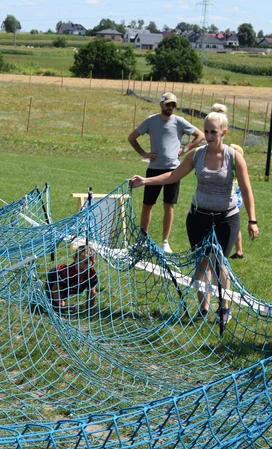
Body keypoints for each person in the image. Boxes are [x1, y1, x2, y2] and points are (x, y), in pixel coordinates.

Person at [129, 104, 259, 322]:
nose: (208, 136)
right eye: (206, 131)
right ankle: (203, 308)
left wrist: (252, 220)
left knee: (219, 262)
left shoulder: (234, 157)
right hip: (198, 217)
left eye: (213, 132)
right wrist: (146, 181)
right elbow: (173, 176)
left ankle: (224, 307)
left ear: (224, 133)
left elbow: (246, 190)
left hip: (226, 218)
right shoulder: (197, 155)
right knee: (201, 262)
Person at [127, 92, 205, 254]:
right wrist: (143, 153)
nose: (170, 107)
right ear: (161, 104)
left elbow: (200, 135)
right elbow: (132, 137)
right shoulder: (151, 120)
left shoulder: (179, 122)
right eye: (168, 104)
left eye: (173, 105)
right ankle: (142, 239)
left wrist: (185, 149)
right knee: (147, 205)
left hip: (173, 171)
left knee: (169, 206)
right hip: (154, 169)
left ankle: (165, 241)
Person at [45, 245, 98, 310]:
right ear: (74, 259)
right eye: (79, 261)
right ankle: (64, 306)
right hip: (54, 275)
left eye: (86, 262)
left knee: (71, 290)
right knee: (53, 305)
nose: (81, 265)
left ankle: (65, 304)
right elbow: (56, 287)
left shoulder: (91, 274)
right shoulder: (68, 272)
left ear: (92, 263)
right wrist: (59, 304)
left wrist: (89, 310)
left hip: (71, 283)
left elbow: (92, 292)